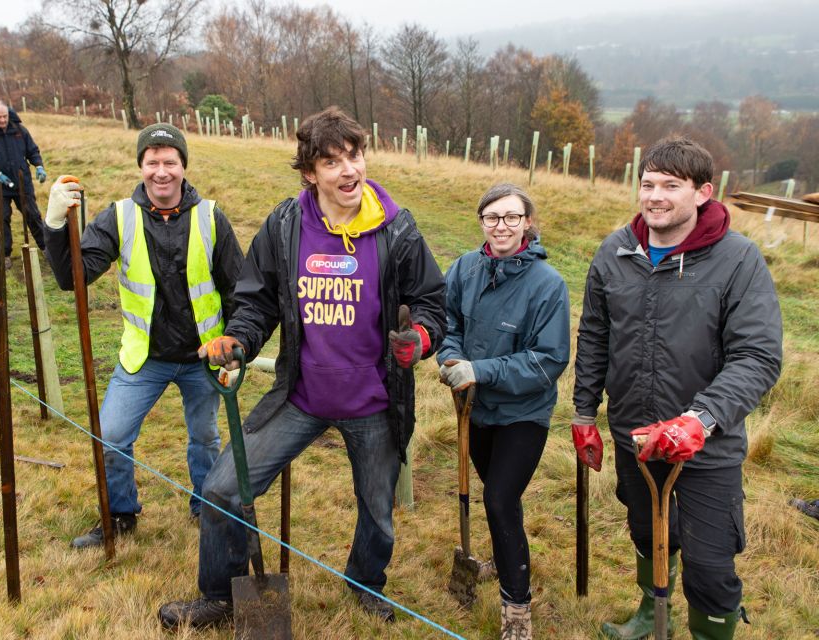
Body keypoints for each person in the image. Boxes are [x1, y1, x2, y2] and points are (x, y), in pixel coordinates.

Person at [157, 106, 446, 630]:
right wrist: (238, 340)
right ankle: (221, 596)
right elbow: (257, 301)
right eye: (332, 162)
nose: (349, 171)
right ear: (310, 173)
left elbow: (431, 301)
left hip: (375, 401)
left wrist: (419, 339)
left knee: (377, 511)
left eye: (354, 155)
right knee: (222, 488)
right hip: (301, 395)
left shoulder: (396, 229)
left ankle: (365, 584)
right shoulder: (287, 225)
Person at [571, 137, 782, 640]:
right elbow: (596, 336)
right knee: (647, 535)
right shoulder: (615, 251)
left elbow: (758, 356)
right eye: (647, 184)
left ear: (703, 192)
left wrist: (699, 419)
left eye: (671, 185)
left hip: (705, 446)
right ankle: (651, 615)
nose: (655, 196)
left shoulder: (737, 260)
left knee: (710, 564)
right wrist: (583, 415)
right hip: (635, 438)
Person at [44, 123, 243, 548]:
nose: (161, 172)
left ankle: (206, 508)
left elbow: (239, 288)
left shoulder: (210, 217)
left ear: (183, 166)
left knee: (205, 437)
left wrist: (235, 340)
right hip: (144, 357)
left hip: (203, 357)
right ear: (141, 166)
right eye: (152, 162)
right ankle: (119, 514)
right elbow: (71, 279)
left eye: (170, 162)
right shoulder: (119, 217)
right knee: (112, 435)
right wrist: (56, 225)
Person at [437, 183, 570, 640]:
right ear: (481, 221)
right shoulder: (464, 269)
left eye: (512, 217)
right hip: (473, 409)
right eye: (492, 217)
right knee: (496, 497)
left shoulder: (548, 285)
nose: (502, 226)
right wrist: (450, 359)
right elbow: (447, 323)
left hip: (523, 414)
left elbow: (548, 360)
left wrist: (482, 370)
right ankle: (501, 557)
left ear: (528, 222)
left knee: (498, 499)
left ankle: (517, 606)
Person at [0, 101, 48, 266]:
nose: (2, 120)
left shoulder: (19, 131)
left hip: (22, 182)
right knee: (2, 218)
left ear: (9, 114)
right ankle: (4, 254)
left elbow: (32, 151)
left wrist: (39, 166)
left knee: (33, 215)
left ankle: (45, 248)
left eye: (5, 116)